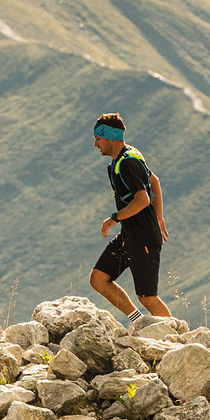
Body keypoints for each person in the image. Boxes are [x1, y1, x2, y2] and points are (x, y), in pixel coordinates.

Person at [89, 113, 171, 332]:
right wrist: (159, 217)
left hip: (143, 237)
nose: (95, 143)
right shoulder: (125, 157)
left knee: (148, 297)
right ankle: (138, 321)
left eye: (98, 137)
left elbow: (143, 199)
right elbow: (154, 181)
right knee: (99, 278)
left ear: (110, 138)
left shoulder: (128, 163)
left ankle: (181, 338)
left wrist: (115, 218)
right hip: (130, 235)